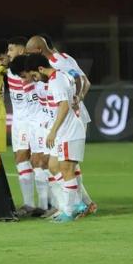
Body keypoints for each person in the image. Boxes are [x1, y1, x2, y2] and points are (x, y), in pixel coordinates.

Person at [25, 35, 97, 215]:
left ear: (39, 50)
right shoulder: (45, 70)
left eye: (30, 53)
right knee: (62, 165)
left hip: (70, 119)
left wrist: (78, 99)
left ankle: (75, 206)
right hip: (56, 119)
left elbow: (83, 80)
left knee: (66, 165)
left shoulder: (61, 62)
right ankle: (80, 204)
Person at [9, 54, 56, 218]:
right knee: (38, 162)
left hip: (46, 125)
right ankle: (44, 205)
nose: (22, 80)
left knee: (49, 163)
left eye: (24, 76)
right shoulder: (30, 84)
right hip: (35, 125)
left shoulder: (46, 83)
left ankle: (56, 205)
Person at [5, 39, 46, 217]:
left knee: (40, 160)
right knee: (21, 158)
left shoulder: (35, 68)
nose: (8, 53)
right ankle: (29, 204)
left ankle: (45, 205)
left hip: (37, 119)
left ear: (22, 49)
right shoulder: (7, 69)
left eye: (11, 48)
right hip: (20, 121)